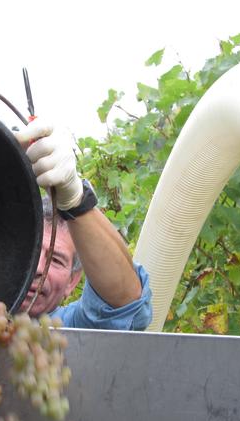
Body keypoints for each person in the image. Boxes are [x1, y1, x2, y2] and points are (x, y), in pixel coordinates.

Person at [14, 119, 152, 331]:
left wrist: (76, 201)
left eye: (56, 260)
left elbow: (126, 304)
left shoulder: (69, 330)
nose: (39, 268)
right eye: (31, 252)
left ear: (72, 281)